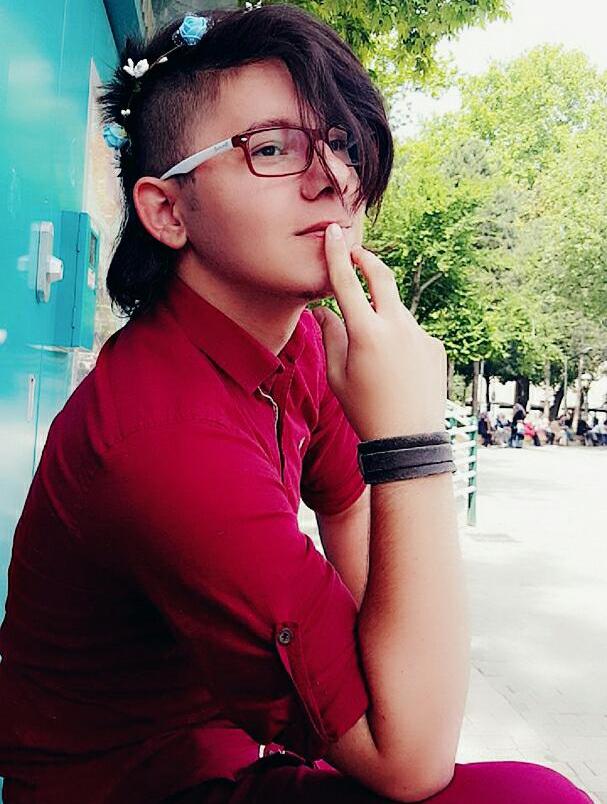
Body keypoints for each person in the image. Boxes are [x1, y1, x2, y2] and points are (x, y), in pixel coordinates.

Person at [0, 7, 592, 804]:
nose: (332, 179)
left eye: (342, 143)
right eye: (271, 149)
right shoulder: (164, 439)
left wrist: (375, 685)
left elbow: (359, 555)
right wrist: (412, 443)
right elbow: (409, 757)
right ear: (166, 211)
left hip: (242, 749)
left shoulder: (304, 342)